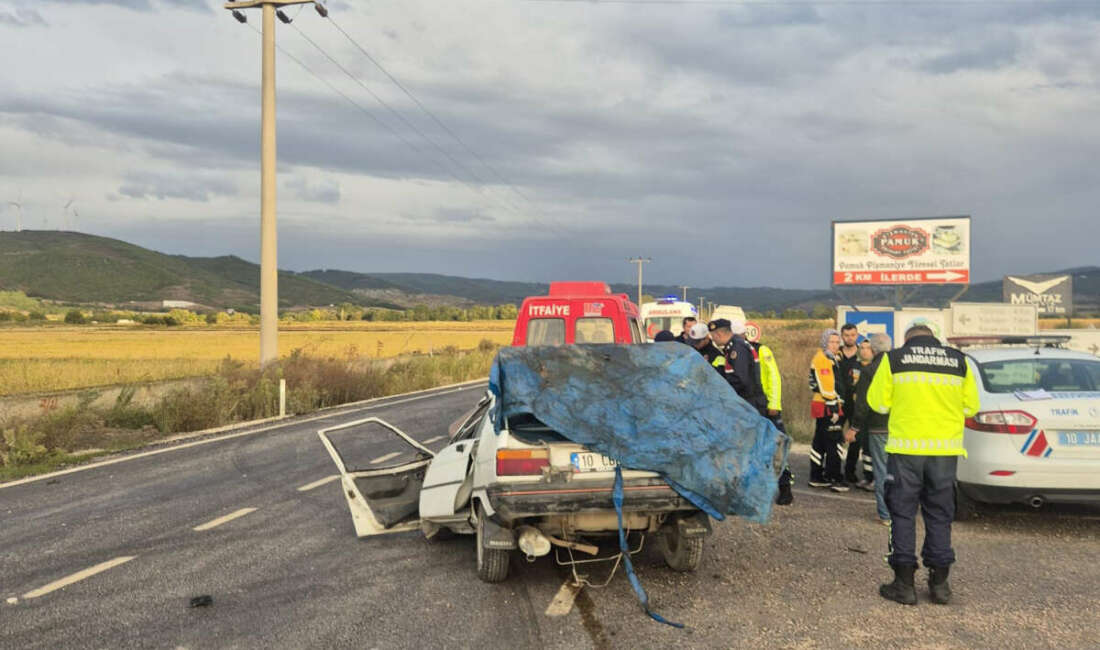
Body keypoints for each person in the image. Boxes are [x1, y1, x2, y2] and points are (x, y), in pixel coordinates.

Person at [867, 324, 980, 606]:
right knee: (940, 514)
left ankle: (904, 585)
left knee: (902, 513)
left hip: (906, 450)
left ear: (908, 341)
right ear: (934, 339)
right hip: (944, 451)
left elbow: (877, 404)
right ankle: (940, 585)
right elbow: (971, 407)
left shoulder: (894, 359)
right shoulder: (959, 361)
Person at [848, 334, 893, 524]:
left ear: (873, 349)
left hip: (877, 426)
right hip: (899, 426)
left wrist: (854, 427)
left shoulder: (870, 370)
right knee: (899, 471)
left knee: (881, 471)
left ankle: (885, 514)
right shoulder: (898, 368)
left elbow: (863, 403)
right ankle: (901, 511)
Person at [747, 325, 794, 506]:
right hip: (753, 408)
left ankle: (785, 487)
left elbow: (774, 378)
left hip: (768, 408)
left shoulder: (762, 350)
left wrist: (774, 404)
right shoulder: (738, 350)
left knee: (777, 449)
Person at [808, 328, 848, 492]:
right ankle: (835, 477)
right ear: (825, 342)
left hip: (824, 405)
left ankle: (816, 475)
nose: (835, 345)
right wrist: (834, 408)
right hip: (827, 406)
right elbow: (826, 386)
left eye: (837, 342)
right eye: (832, 342)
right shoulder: (822, 359)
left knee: (820, 441)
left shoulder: (832, 358)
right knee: (833, 441)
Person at [707, 319, 767, 414]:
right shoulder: (732, 346)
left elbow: (741, 379)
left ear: (719, 334)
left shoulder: (737, 348)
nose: (712, 339)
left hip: (749, 403)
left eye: (712, 336)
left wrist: (723, 390)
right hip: (747, 401)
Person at [847, 340, 876, 491]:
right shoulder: (855, 367)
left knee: (873, 447)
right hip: (858, 411)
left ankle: (876, 478)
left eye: (868, 348)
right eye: (862, 348)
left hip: (872, 413)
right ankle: (867, 476)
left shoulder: (877, 367)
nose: (865, 351)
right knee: (863, 447)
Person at [838, 323, 863, 486]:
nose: (849, 338)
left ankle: (850, 471)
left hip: (856, 402)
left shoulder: (863, 354)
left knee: (856, 438)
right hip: (838, 401)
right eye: (846, 335)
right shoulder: (836, 353)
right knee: (835, 437)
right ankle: (833, 470)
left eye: (853, 335)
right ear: (842, 336)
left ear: (857, 335)